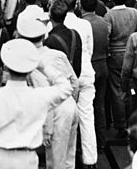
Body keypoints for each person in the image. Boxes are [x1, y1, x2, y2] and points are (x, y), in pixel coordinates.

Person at [0, 38, 72, 169]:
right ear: (30, 69)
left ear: (6, 66)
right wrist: (44, 67)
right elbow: (66, 88)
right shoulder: (39, 96)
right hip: (27, 159)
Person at [16, 16, 79, 169]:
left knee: (55, 162)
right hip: (70, 105)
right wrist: (72, 103)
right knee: (69, 159)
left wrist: (47, 128)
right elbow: (75, 82)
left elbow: (46, 97)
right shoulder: (57, 54)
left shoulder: (32, 63)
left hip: (56, 112)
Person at [104, 0, 137, 137]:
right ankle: (133, 121)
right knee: (132, 88)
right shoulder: (134, 12)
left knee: (117, 91)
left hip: (115, 56)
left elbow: (106, 35)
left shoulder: (109, 16)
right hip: (133, 53)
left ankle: (121, 125)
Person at [64, 0, 97, 168]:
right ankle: (90, 159)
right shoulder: (85, 24)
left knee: (66, 117)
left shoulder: (57, 26)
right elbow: (89, 50)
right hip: (85, 71)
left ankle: (69, 160)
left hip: (67, 75)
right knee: (86, 116)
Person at [80, 0, 109, 151]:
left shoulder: (81, 24)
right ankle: (102, 140)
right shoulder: (104, 22)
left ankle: (86, 142)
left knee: (85, 107)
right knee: (100, 105)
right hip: (103, 64)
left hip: (89, 66)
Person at [45, 0, 82, 77]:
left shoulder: (49, 41)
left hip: (60, 82)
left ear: (50, 16)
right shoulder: (75, 34)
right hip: (75, 77)